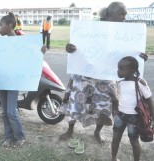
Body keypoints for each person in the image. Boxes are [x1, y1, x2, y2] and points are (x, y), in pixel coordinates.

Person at [59, 2, 148, 144]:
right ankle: (70, 130)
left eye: (125, 14)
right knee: (75, 102)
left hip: (106, 77)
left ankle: (97, 132)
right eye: (121, 14)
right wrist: (70, 48)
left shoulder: (127, 32)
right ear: (108, 14)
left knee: (104, 106)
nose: (124, 17)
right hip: (83, 74)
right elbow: (77, 47)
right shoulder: (91, 28)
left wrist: (140, 58)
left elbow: (130, 54)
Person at [112, 56, 154, 161]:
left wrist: (153, 117)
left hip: (134, 118)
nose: (118, 71)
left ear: (132, 71)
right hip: (120, 116)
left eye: (121, 69)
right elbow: (118, 98)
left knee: (134, 142)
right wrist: (115, 112)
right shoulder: (120, 83)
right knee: (115, 138)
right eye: (118, 68)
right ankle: (113, 158)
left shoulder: (140, 82)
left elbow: (149, 99)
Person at [0, 12, 26, 149]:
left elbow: (30, 57)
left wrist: (41, 50)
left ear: (9, 26)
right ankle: (8, 137)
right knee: (3, 111)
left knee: (11, 111)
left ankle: (20, 137)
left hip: (13, 81)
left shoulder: (21, 42)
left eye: (0, 25)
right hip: (1, 81)